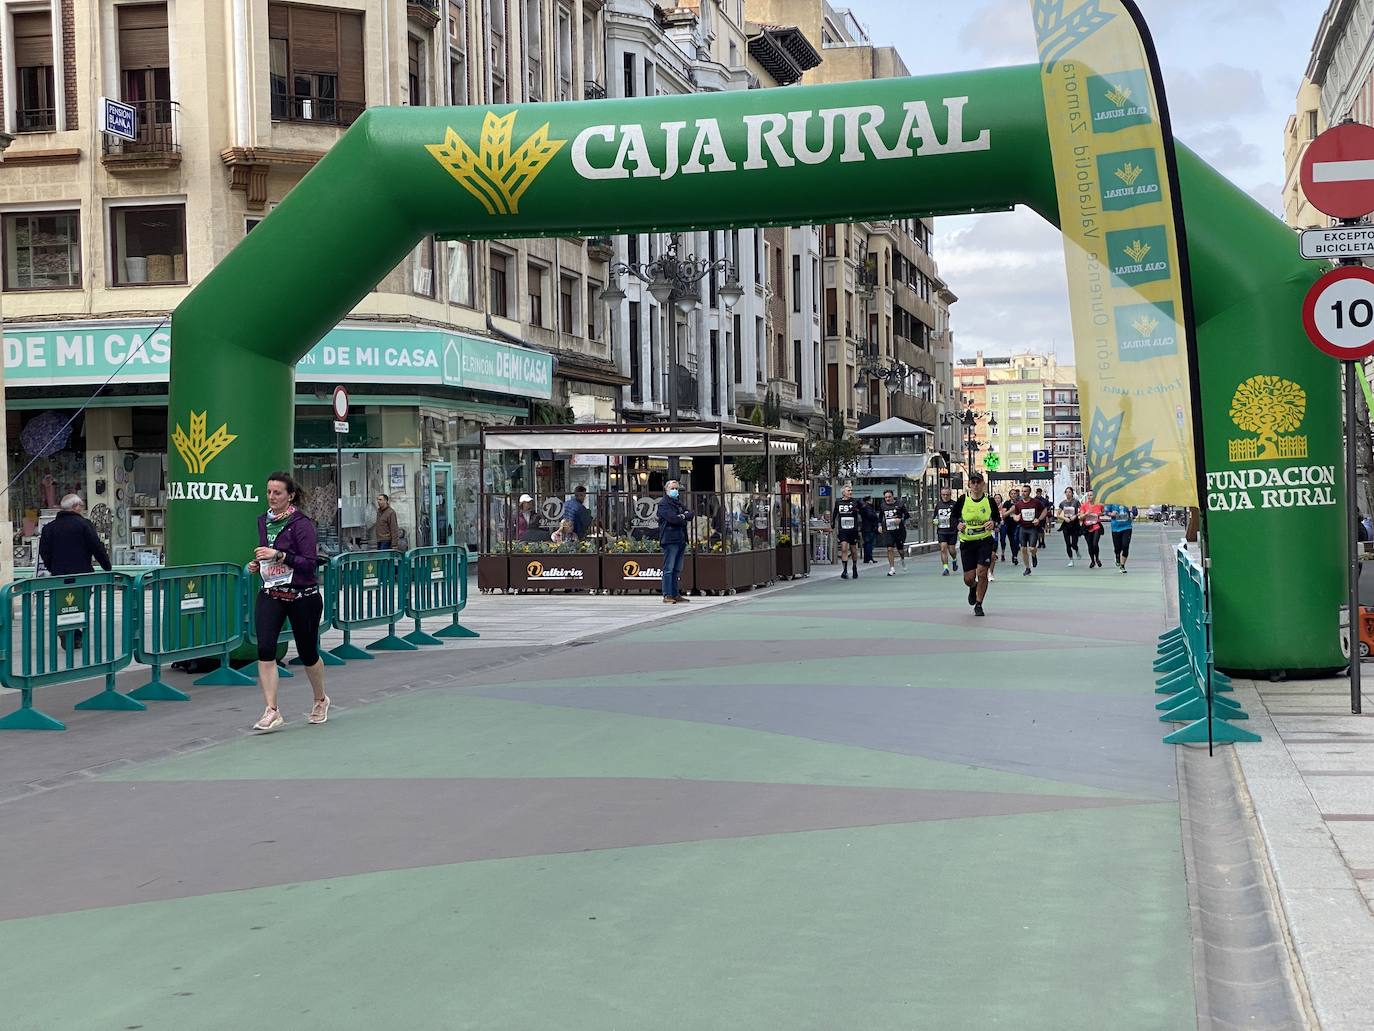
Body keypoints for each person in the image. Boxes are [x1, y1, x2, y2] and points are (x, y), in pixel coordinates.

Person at [247, 471, 328, 733]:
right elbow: (266, 555)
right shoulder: (263, 521)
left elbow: (309, 563)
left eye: (277, 492)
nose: (271, 497)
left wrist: (279, 555)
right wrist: (258, 564)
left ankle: (320, 699)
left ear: (290, 495)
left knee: (307, 653)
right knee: (266, 649)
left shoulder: (302, 524)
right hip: (271, 593)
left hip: (302, 595)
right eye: (269, 492)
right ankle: (272, 710)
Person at [952, 472, 997, 617]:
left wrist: (993, 522)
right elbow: (953, 517)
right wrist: (957, 524)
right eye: (973, 482)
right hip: (967, 543)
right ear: (969, 485)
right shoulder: (962, 499)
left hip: (984, 541)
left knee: (982, 573)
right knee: (969, 578)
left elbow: (997, 518)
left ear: (983, 484)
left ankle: (979, 604)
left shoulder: (989, 500)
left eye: (979, 482)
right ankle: (973, 587)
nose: (976, 485)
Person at [38, 494, 112, 574]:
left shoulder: (48, 528)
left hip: (59, 577)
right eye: (81, 506)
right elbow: (96, 547)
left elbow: (44, 552)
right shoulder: (84, 525)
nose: (82, 509)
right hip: (82, 575)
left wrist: (52, 568)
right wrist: (107, 566)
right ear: (75, 506)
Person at [657, 479, 689, 604]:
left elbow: (690, 513)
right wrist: (682, 517)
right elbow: (672, 519)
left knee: (677, 569)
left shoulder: (678, 503)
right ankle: (667, 595)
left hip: (681, 538)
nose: (675, 491)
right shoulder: (664, 504)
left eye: (677, 488)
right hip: (670, 539)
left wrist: (682, 516)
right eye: (673, 488)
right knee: (669, 569)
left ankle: (676, 594)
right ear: (666, 490)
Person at [832, 483, 863, 579]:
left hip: (853, 529)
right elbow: (835, 513)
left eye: (851, 491)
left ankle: (854, 566)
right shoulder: (838, 502)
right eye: (848, 491)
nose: (850, 492)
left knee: (853, 550)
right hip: (843, 529)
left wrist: (857, 510)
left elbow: (862, 511)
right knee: (844, 548)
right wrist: (832, 524)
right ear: (843, 493)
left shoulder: (855, 501)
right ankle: (845, 570)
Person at [1016, 486, 1047, 576]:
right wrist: (1015, 517)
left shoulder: (1036, 502)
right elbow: (1015, 514)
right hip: (1023, 528)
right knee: (1023, 549)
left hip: (1032, 528)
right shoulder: (1019, 504)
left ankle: (1033, 555)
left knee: (1032, 548)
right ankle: (1027, 568)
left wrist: (1039, 519)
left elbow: (1044, 510)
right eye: (1022, 491)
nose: (1023, 493)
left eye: (1025, 491)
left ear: (1029, 492)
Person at [879, 489, 911, 576]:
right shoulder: (883, 506)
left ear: (893, 496)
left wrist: (901, 519)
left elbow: (907, 515)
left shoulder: (900, 504)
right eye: (886, 497)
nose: (887, 499)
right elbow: (880, 517)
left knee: (900, 550)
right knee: (889, 548)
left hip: (899, 531)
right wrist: (880, 526)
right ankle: (892, 568)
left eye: (889, 497)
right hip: (888, 531)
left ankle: (902, 559)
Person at [933, 485, 958, 576]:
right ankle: (946, 568)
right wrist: (935, 520)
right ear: (941, 495)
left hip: (952, 531)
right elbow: (935, 516)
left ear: (950, 494)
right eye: (943, 495)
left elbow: (959, 517)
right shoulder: (938, 505)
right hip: (941, 531)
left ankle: (954, 560)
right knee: (943, 548)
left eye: (947, 494)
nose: (945, 496)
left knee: (951, 550)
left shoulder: (955, 504)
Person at [1079, 489, 1106, 568]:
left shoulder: (1099, 505)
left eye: (1091, 495)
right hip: (1087, 527)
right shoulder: (1084, 505)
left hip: (1096, 526)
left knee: (1095, 544)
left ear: (1094, 496)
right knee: (1090, 545)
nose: (1089, 497)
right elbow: (1080, 517)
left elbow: (1103, 512)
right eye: (1088, 495)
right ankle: (1092, 561)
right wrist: (1086, 514)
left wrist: (1101, 513)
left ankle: (1097, 559)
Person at [1107, 501, 1134, 573]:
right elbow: (1106, 511)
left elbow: (1135, 512)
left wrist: (1131, 511)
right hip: (1115, 528)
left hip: (1127, 527)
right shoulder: (1112, 500)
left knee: (1125, 545)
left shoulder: (1129, 499)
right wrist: (1111, 514)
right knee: (1117, 548)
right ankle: (1117, 555)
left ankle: (1122, 565)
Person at [1058, 487, 1081, 567]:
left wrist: (1075, 516)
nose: (1068, 494)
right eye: (1066, 492)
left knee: (1074, 544)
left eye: (1069, 492)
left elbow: (1080, 512)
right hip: (1066, 525)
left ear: (1072, 493)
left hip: (1075, 525)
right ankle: (1071, 560)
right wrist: (1064, 518)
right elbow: (1057, 515)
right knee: (1068, 544)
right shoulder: (1062, 503)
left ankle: (1076, 550)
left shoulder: (1076, 502)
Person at [1001, 487, 1022, 565]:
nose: (1013, 495)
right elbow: (1003, 515)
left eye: (1014, 494)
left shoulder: (1020, 503)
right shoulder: (1007, 503)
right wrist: (1011, 511)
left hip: (1018, 525)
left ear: (1017, 495)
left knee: (1016, 541)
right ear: (1009, 495)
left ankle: (1015, 556)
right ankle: (1013, 555)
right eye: (1011, 494)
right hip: (1009, 525)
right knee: (1011, 541)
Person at [859, 495, 881, 564]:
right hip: (869, 528)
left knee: (868, 543)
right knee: (869, 543)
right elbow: (871, 515)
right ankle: (869, 558)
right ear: (868, 500)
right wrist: (875, 517)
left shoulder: (864, 507)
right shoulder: (867, 507)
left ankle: (868, 558)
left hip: (867, 528)